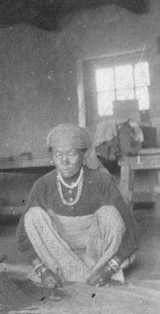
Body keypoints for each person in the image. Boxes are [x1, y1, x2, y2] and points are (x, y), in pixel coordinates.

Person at [16, 123, 140, 288]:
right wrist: (42, 270)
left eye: (72, 154)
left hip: (96, 255)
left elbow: (131, 232)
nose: (64, 161)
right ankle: (72, 272)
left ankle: (87, 271)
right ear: (51, 157)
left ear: (84, 155)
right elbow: (23, 235)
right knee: (33, 215)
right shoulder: (43, 184)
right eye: (58, 155)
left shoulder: (101, 181)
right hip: (58, 254)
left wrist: (110, 269)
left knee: (110, 213)